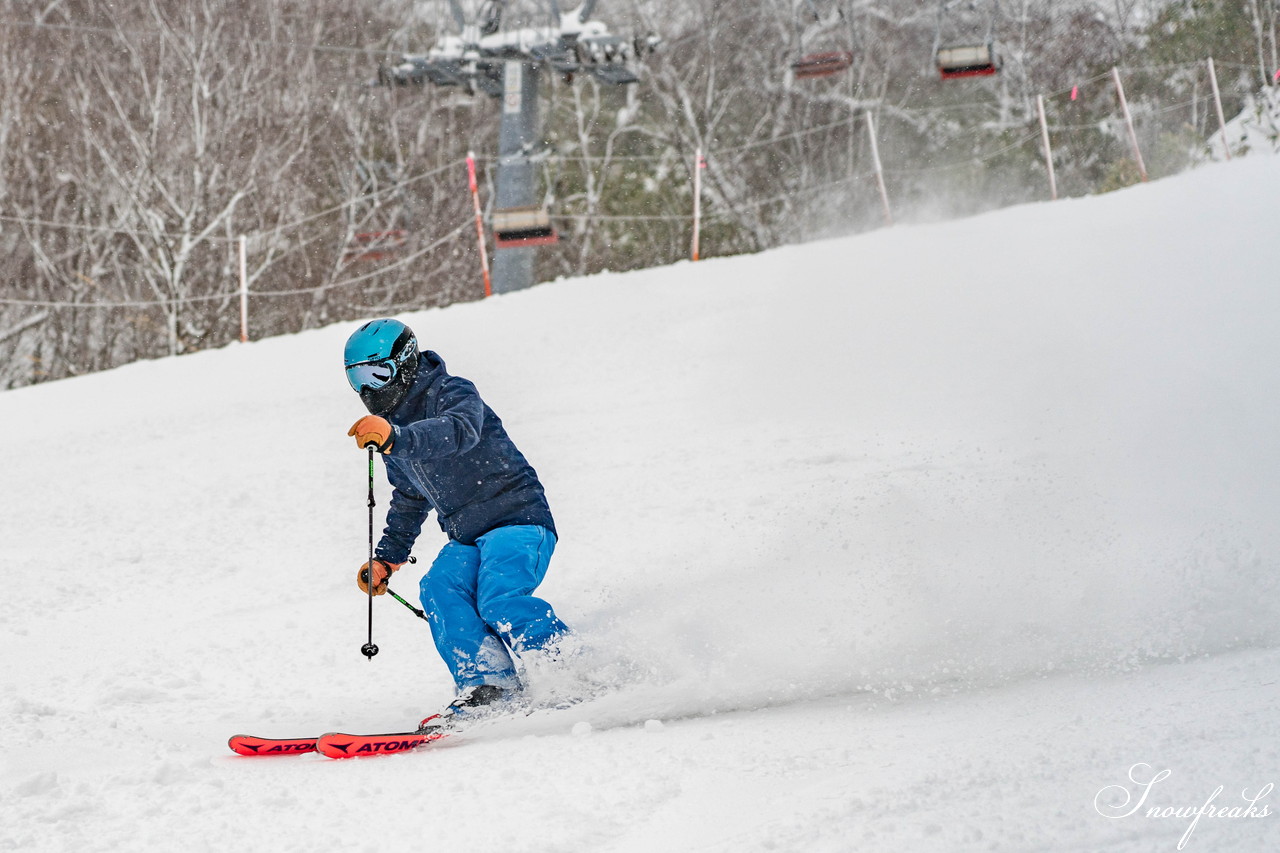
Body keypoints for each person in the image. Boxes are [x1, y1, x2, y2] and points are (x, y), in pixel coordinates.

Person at [343, 318, 569, 732]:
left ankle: (568, 667)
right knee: (439, 588)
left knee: (498, 598)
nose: (369, 390)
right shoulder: (393, 429)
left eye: (378, 373)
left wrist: (397, 437)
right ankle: (489, 684)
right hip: (467, 535)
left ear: (405, 363)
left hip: (517, 519)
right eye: (357, 379)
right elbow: (410, 499)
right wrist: (386, 560)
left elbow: (458, 432)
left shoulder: (452, 393)